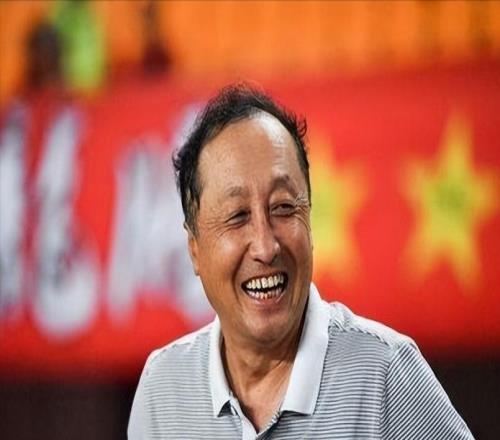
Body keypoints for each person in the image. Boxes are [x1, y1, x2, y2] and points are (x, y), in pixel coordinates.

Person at [128, 83, 474, 439]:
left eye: (283, 208)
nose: (266, 247)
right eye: (237, 216)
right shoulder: (162, 391)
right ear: (194, 249)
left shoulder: (385, 374)